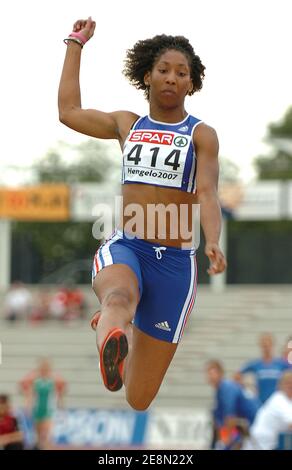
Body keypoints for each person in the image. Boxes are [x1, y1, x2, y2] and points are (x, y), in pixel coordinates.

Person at [58, 17, 226, 410]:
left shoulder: (201, 135)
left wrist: (213, 240)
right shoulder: (127, 125)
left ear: (191, 83)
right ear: (147, 75)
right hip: (128, 246)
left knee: (137, 398)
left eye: (181, 73)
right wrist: (75, 44)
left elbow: (207, 192)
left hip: (175, 266)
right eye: (164, 70)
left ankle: (114, 329)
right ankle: (114, 321)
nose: (171, 78)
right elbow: (68, 112)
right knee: (117, 295)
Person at [206, 360, 260, 449]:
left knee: (227, 444)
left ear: (221, 374)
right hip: (244, 423)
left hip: (254, 422)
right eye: (209, 373)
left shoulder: (226, 388)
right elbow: (219, 419)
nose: (211, 376)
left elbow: (230, 417)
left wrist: (227, 439)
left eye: (213, 373)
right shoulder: (220, 390)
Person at [19, 359, 66, 449]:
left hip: (48, 410)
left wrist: (61, 408)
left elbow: (58, 396)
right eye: (42, 368)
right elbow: (31, 395)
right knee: (38, 436)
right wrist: (27, 407)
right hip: (37, 410)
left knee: (47, 435)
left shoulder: (53, 381)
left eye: (46, 368)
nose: (44, 370)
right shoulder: (36, 382)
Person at [235, 333, 292, 404]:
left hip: (277, 402)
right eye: (264, 346)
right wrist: (246, 389)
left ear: (272, 345)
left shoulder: (281, 363)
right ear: (260, 346)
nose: (266, 348)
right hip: (261, 402)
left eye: (268, 345)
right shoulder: (256, 364)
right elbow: (237, 375)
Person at [243, 371, 292, 450]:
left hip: (270, 444)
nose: (290, 386)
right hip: (258, 444)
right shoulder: (278, 399)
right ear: (280, 385)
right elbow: (290, 423)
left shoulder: (289, 401)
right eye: (287, 383)